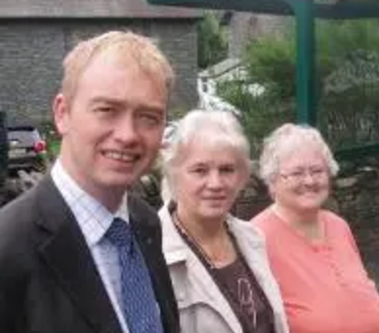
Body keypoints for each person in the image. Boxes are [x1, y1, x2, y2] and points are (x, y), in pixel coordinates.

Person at [0, 31, 179, 333]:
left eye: (149, 117)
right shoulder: (8, 249)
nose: (128, 134)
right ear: (63, 113)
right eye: (107, 110)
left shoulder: (146, 224)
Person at [158, 109, 289, 333]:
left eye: (227, 169)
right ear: (174, 174)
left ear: (242, 176)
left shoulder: (252, 237)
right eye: (200, 170)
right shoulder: (154, 253)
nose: (216, 183)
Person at [252, 124, 379, 333]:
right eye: (296, 173)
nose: (309, 181)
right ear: (272, 180)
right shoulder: (255, 238)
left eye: (318, 171)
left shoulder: (338, 225)